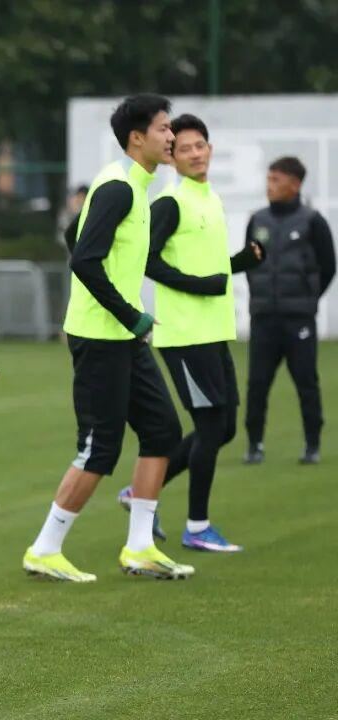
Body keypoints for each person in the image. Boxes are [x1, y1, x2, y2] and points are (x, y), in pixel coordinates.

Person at [21, 94, 194, 582]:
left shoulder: (132, 185)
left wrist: (127, 319)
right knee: (99, 448)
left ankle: (139, 547)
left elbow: (76, 236)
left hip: (121, 335)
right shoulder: (118, 187)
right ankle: (44, 549)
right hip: (101, 337)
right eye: (164, 128)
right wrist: (129, 313)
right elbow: (83, 257)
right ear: (137, 138)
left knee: (162, 431)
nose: (172, 137)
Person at [117, 113, 264, 553]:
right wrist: (201, 285)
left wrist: (240, 263)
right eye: (184, 148)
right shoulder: (171, 201)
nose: (195, 154)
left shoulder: (209, 197)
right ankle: (197, 527)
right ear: (172, 158)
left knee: (225, 429)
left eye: (200, 145)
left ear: (210, 149)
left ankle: (140, 491)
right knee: (210, 426)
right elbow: (147, 260)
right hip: (183, 335)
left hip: (213, 331)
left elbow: (209, 269)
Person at [243, 156, 335, 465]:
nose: (269, 186)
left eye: (276, 180)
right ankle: (254, 445)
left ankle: (312, 445)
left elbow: (328, 266)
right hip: (264, 319)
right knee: (257, 384)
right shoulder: (257, 220)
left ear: (295, 185)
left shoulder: (312, 221)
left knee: (306, 383)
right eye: (268, 179)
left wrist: (307, 300)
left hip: (299, 320)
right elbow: (249, 263)